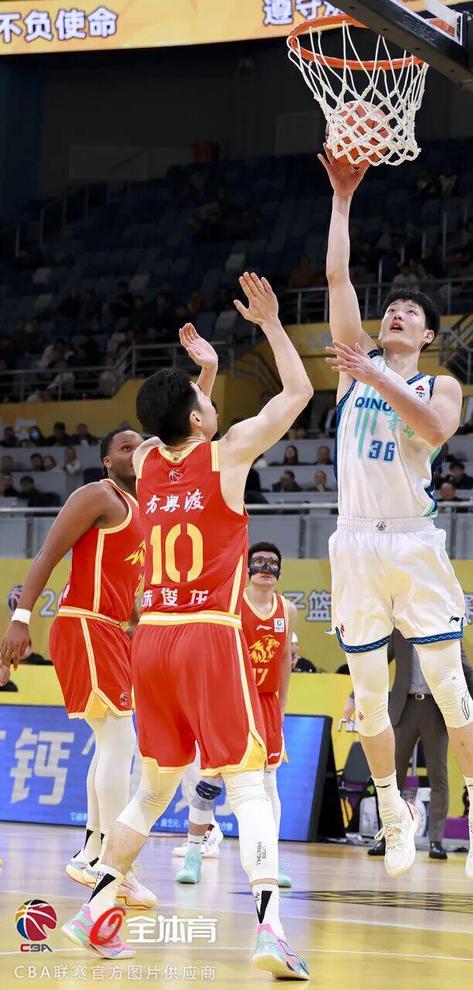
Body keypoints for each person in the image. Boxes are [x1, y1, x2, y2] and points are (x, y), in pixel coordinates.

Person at [62, 277, 312, 979]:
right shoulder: (228, 453)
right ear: (199, 420)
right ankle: (271, 930)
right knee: (250, 786)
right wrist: (272, 325)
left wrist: (203, 375)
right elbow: (297, 393)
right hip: (207, 634)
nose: (213, 406)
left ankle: (96, 908)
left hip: (152, 639)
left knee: (154, 787)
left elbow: (173, 426)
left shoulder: (144, 461)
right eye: (206, 402)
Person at [319, 147, 473, 883]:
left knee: (450, 685)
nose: (398, 313)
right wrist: (341, 200)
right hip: (354, 543)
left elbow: (433, 429)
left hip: (414, 542)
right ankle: (393, 812)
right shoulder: (353, 370)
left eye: (413, 313)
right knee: (368, 698)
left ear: (426, 337)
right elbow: (337, 278)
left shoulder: (438, 383)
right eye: (393, 308)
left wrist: (376, 373)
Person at [0, 426, 154, 909]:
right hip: (85, 624)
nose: (135, 453)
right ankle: (115, 864)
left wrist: (142, 623)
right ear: (107, 461)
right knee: (119, 741)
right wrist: (20, 618)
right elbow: (49, 554)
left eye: (140, 446)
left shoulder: (143, 510)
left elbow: (125, 589)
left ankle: (92, 850)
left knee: (111, 743)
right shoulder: (97, 495)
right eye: (124, 447)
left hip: (112, 629)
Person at [175, 541, 297, 891]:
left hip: (265, 703)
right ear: (246, 569)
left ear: (280, 571)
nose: (265, 568)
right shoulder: (230, 603)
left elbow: (284, 660)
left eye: (272, 562)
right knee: (209, 782)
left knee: (269, 784)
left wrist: (281, 707)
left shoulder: (287, 609)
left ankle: (271, 858)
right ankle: (194, 853)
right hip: (228, 702)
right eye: (259, 562)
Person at [345, 630, 473, 861]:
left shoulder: (444, 630)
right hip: (404, 708)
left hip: (436, 710)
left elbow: (466, 670)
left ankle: (436, 840)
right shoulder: (398, 632)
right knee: (391, 776)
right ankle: (389, 836)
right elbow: (377, 664)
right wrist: (355, 697)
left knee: (438, 776)